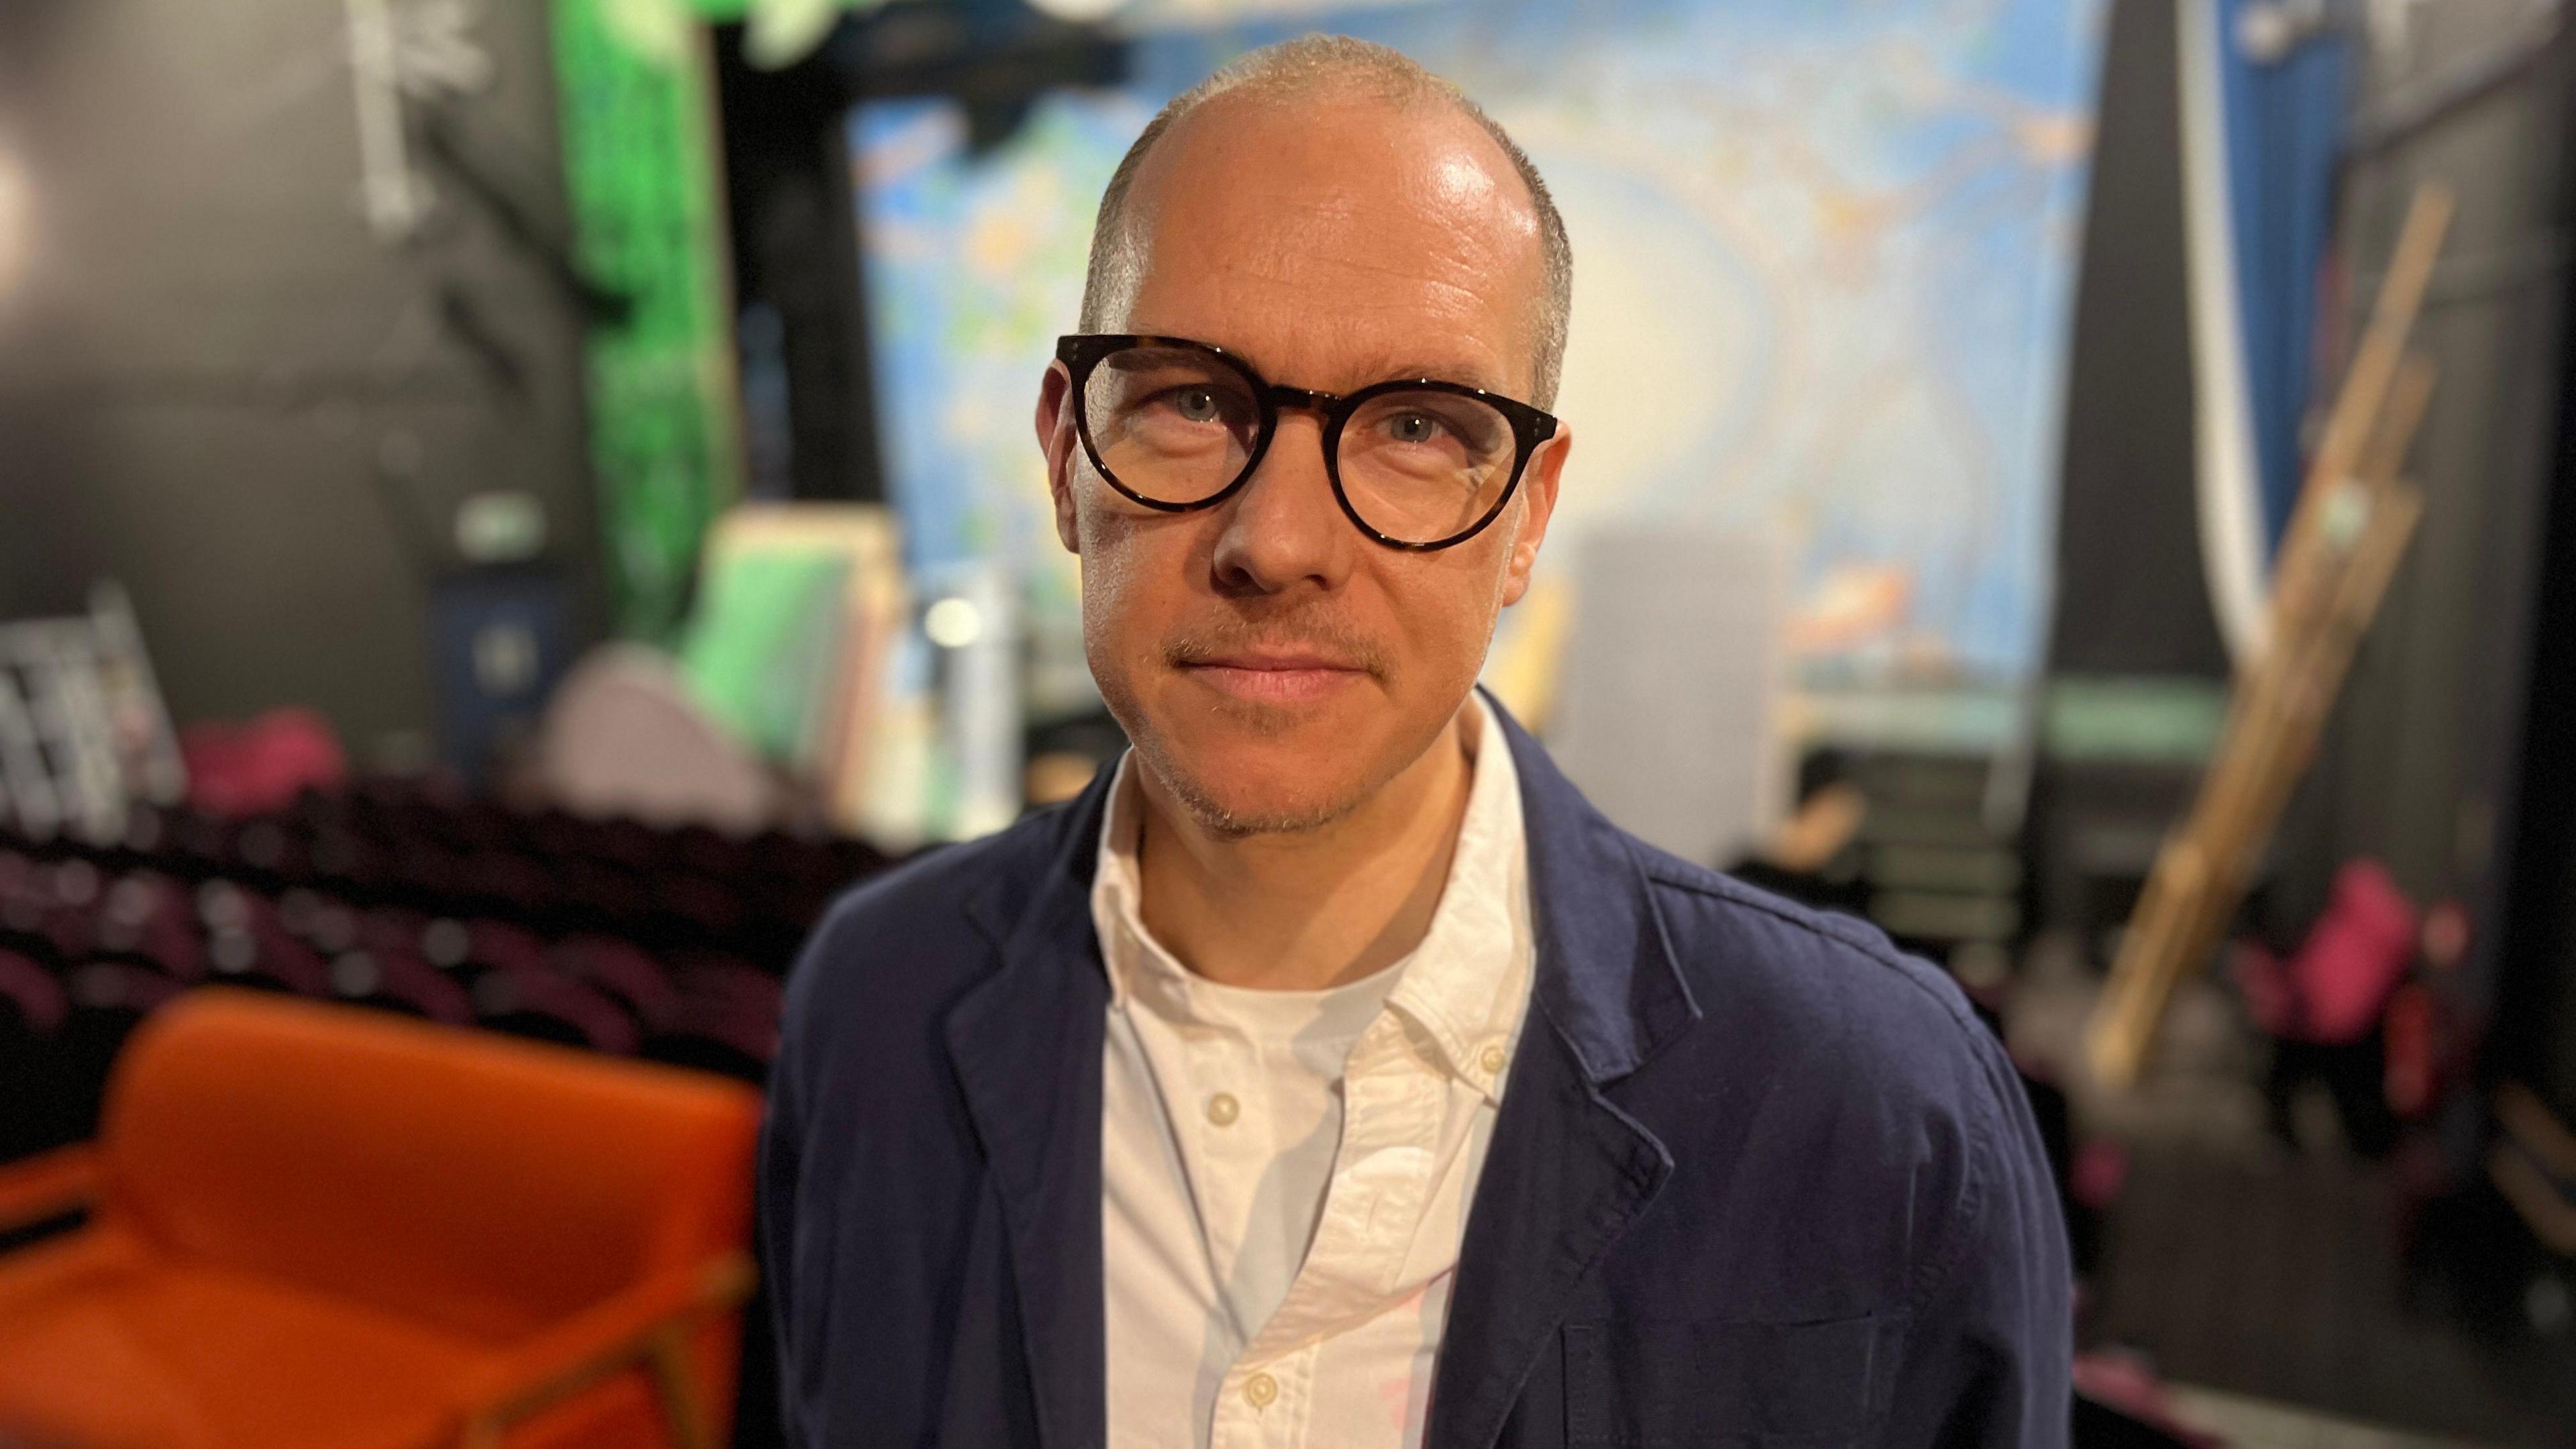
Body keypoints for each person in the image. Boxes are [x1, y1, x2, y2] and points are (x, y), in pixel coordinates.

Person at [761, 34, 2070, 1449]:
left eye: (1418, 426)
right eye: (1193, 402)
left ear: (1526, 516)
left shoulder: (1879, 1106)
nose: (1279, 543)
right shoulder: (871, 1009)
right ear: (1068, 454)